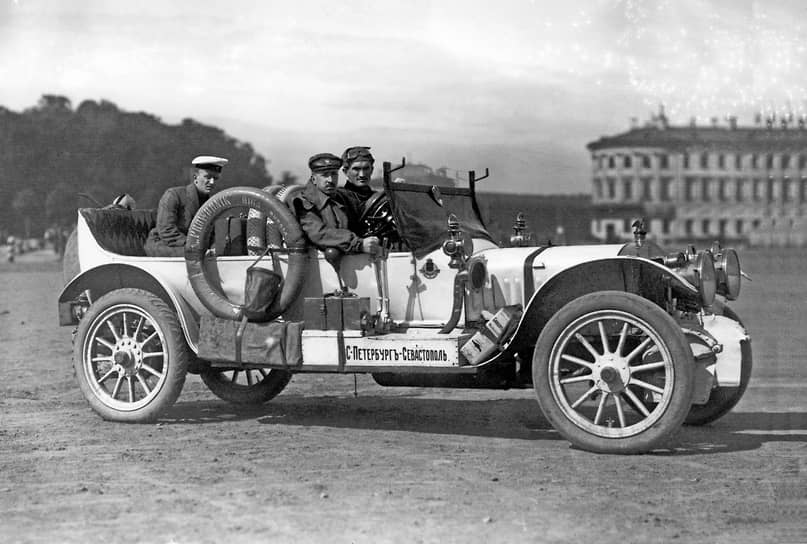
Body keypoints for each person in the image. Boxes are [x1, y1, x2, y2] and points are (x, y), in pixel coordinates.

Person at [291, 153, 380, 256]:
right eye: (324, 175)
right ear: (314, 179)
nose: (330, 180)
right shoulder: (304, 201)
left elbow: (363, 207)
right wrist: (358, 244)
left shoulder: (340, 197)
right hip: (316, 262)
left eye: (334, 174)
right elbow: (319, 234)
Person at [144, 155, 227, 257]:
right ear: (195, 177)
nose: (212, 182)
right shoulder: (173, 195)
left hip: (191, 248)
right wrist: (195, 246)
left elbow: (212, 233)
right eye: (208, 177)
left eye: (215, 178)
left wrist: (214, 248)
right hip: (163, 246)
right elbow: (166, 230)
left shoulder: (210, 203)